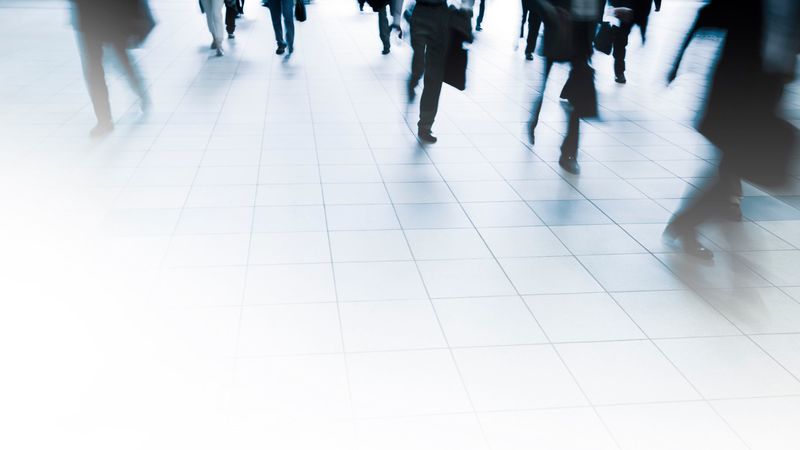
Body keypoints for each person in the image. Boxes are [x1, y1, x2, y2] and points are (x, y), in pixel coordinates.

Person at [663, 0, 798, 259]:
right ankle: (690, 222)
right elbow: (706, 15)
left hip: (768, 91)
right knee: (732, 161)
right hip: (736, 90)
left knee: (733, 163)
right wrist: (676, 65)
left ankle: (689, 221)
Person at [527, 0, 611, 174]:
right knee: (544, 86)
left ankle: (569, 153)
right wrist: (552, 12)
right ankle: (534, 117)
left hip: (581, 41)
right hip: (558, 31)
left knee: (577, 100)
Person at [71, 0, 153, 137]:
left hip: (109, 14)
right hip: (95, 16)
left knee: (113, 61)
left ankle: (105, 119)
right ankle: (104, 119)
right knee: (97, 68)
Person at [408, 0, 473, 144]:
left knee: (434, 74)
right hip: (421, 13)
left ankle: (425, 124)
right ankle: (415, 76)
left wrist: (466, 7)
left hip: (440, 15)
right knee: (419, 61)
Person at [606, 0, 660, 83]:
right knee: (620, 41)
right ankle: (619, 72)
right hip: (638, 9)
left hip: (625, 9)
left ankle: (619, 73)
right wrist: (657, 4)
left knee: (620, 42)